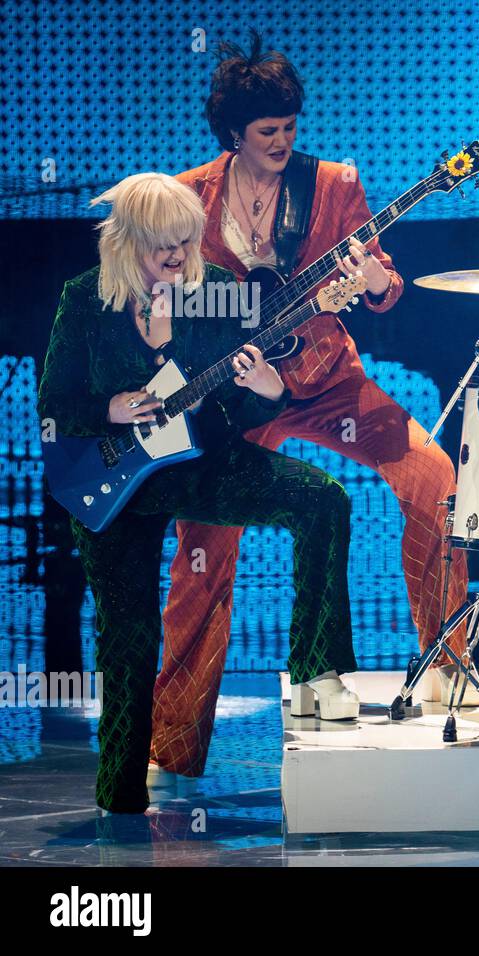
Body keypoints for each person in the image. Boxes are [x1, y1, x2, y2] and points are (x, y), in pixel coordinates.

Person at [150, 34, 469, 784]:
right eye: (268, 133)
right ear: (234, 133)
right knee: (203, 547)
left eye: (291, 128)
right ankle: (173, 737)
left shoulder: (333, 184)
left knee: (433, 476)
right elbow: (161, 293)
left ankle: (446, 664)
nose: (283, 144)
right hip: (234, 394)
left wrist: (370, 282)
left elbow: (387, 283)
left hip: (327, 378)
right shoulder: (188, 196)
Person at [38, 172, 360, 813]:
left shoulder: (213, 293)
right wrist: (112, 408)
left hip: (198, 462)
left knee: (324, 499)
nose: (180, 259)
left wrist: (270, 390)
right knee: (127, 641)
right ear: (127, 243)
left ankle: (313, 670)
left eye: (187, 243)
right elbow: (55, 405)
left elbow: (231, 407)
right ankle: (120, 797)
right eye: (165, 248)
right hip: (111, 484)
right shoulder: (83, 301)